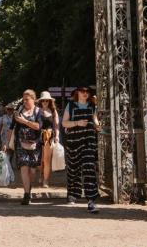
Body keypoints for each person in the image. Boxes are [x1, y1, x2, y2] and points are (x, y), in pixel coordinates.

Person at [63, 85, 100, 213]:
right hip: (74, 142)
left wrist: (97, 126)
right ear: (77, 93)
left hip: (88, 141)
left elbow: (95, 121)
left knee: (89, 166)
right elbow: (64, 123)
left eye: (87, 92)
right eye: (82, 91)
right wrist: (77, 123)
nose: (85, 93)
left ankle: (91, 200)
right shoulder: (71, 106)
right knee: (74, 169)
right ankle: (73, 193)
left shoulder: (92, 106)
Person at [6, 90, 42, 205]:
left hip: (35, 145)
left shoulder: (38, 111)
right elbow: (11, 128)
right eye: (23, 99)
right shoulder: (18, 111)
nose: (24, 101)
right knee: (24, 167)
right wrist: (6, 143)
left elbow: (38, 126)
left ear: (33, 99)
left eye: (27, 99)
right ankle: (26, 194)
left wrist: (25, 121)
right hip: (20, 144)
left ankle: (29, 187)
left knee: (32, 171)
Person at [37, 91, 60, 188]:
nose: (45, 102)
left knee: (47, 160)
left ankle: (46, 180)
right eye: (43, 100)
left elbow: (57, 126)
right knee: (40, 160)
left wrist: (57, 136)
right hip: (38, 137)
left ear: (50, 101)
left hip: (49, 136)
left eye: (47, 100)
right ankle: (41, 174)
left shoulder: (53, 111)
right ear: (40, 101)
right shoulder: (36, 111)